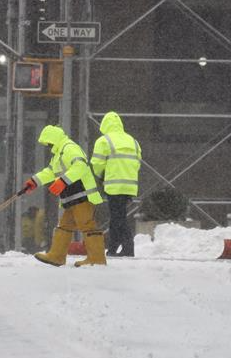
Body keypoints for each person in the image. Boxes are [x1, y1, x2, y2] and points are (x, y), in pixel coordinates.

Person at [20, 124, 106, 267]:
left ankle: (97, 259)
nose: (48, 145)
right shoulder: (58, 155)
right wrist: (34, 181)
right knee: (64, 226)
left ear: (53, 139)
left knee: (87, 225)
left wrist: (62, 181)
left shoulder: (69, 148)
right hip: (71, 198)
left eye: (48, 142)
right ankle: (57, 256)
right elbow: (50, 172)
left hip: (82, 196)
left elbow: (80, 166)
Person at [90, 111, 141, 257]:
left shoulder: (104, 141)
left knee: (118, 217)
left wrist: (101, 177)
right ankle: (114, 248)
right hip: (130, 185)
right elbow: (137, 163)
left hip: (113, 185)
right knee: (118, 216)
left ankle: (127, 247)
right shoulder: (133, 141)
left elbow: (97, 164)